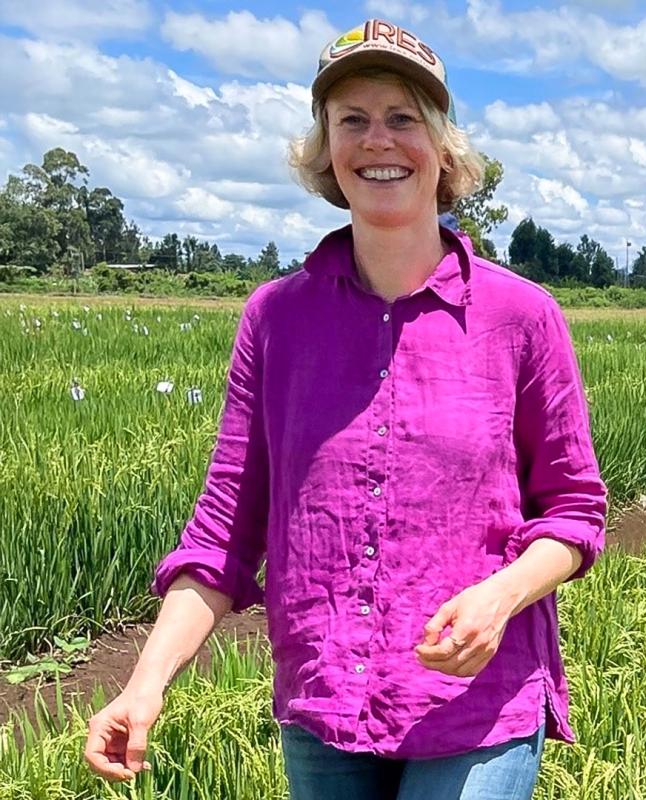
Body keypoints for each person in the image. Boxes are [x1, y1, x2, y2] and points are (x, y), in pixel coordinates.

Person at [84, 17, 607, 800]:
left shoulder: (521, 318)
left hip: (475, 707)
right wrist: (145, 683)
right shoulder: (276, 319)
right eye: (351, 121)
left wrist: (502, 598)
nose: (378, 141)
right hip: (326, 701)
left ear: (442, 148)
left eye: (402, 118)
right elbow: (226, 527)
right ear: (326, 149)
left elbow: (574, 509)